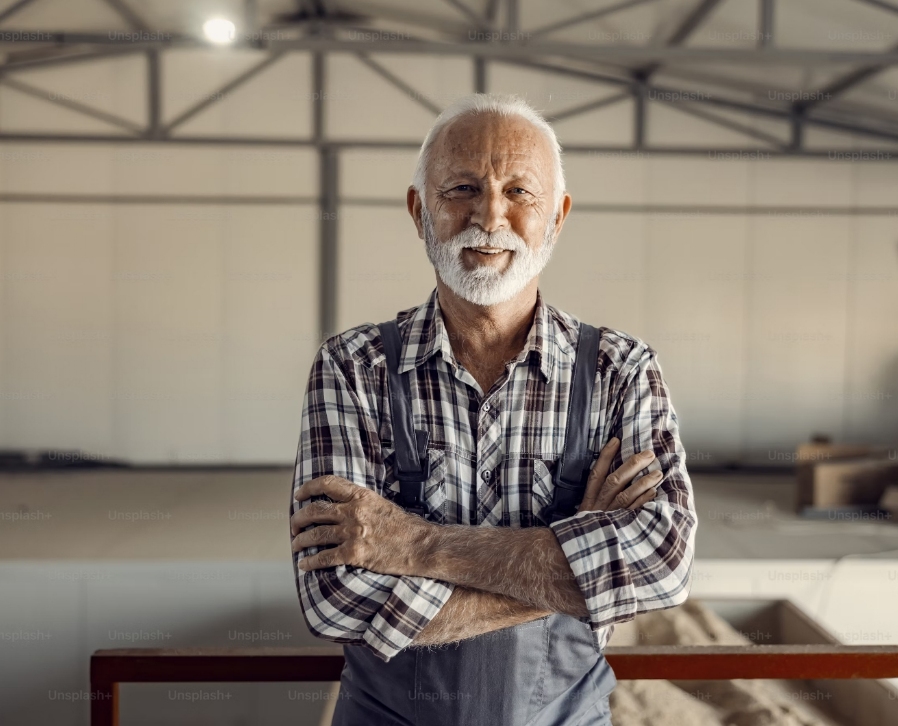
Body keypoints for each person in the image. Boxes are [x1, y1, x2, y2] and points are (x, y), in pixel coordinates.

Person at [289, 93, 698, 726]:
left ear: (557, 217)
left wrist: (416, 545)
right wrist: (580, 557)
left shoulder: (620, 371)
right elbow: (336, 601)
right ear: (418, 210)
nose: (490, 216)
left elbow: (661, 569)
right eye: (461, 189)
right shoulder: (354, 368)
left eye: (519, 192)